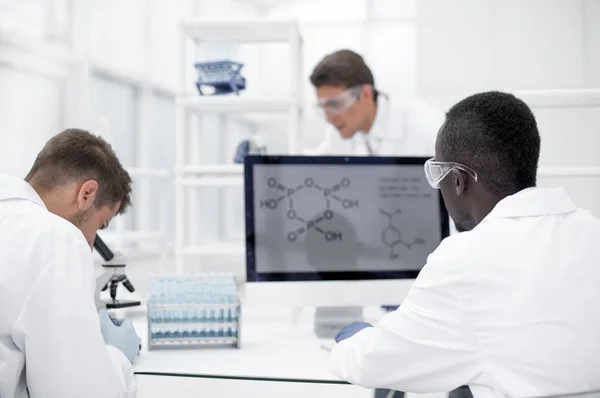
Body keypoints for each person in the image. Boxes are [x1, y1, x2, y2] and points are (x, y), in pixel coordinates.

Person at [329, 91, 600, 397]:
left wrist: (352, 338)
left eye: (438, 173)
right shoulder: (592, 230)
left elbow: (371, 363)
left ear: (458, 180)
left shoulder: (463, 260)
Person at [0, 129, 140, 397]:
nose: (91, 242)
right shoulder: (55, 238)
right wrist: (117, 357)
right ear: (86, 194)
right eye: (100, 225)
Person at [306, 49, 443, 157]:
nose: (329, 119)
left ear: (365, 94)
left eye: (335, 105)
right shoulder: (338, 134)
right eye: (323, 108)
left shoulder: (426, 128)